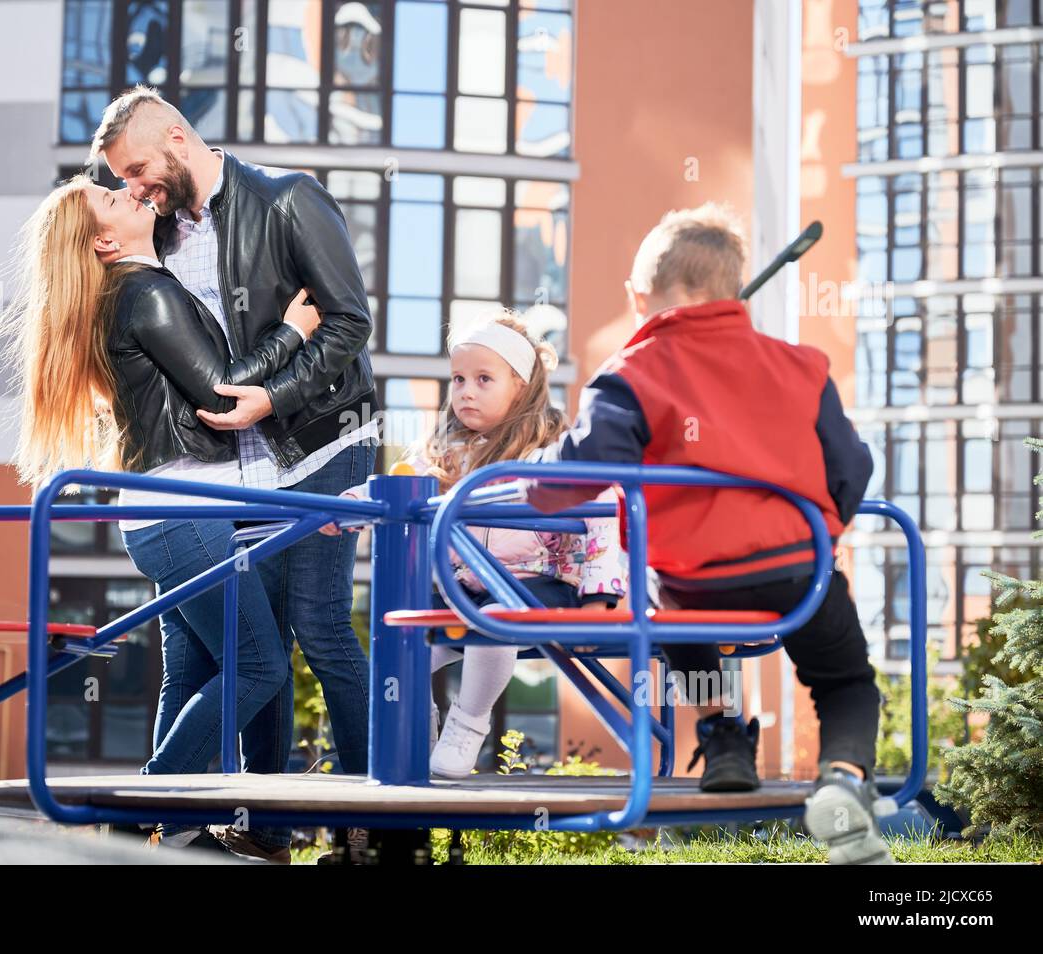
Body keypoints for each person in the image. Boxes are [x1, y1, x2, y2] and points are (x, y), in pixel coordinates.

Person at [530, 203, 889, 864]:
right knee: (845, 681)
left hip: (693, 579)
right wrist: (822, 531)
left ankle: (723, 735)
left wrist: (530, 481)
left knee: (679, 629)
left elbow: (576, 474)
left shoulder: (634, 372)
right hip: (797, 569)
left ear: (639, 298)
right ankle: (843, 778)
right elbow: (852, 464)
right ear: (731, 290)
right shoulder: (802, 368)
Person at [0, 174, 322, 860]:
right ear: (105, 241)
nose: (129, 193)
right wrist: (294, 329)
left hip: (164, 516)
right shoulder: (146, 294)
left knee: (195, 672)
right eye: (112, 199)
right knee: (260, 665)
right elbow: (222, 394)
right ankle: (145, 802)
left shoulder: (125, 296)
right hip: (184, 514)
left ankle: (171, 831)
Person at [90, 86, 379, 860]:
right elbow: (195, 367)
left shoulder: (288, 199)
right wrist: (250, 397)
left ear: (179, 138)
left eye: (141, 171)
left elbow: (351, 318)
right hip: (234, 465)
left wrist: (271, 396)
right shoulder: (158, 234)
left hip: (320, 442)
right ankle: (266, 824)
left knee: (319, 626)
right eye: (124, 180)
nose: (136, 189)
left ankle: (371, 823)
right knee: (261, 644)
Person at [324, 312, 625, 777]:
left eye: (484, 379)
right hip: (462, 584)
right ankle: (416, 727)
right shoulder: (444, 450)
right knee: (404, 629)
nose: (466, 390)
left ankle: (468, 723)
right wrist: (353, 506)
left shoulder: (550, 450)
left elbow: (605, 510)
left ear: (521, 385)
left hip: (537, 584)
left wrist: (600, 599)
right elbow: (399, 484)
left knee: (496, 617)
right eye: (459, 378)